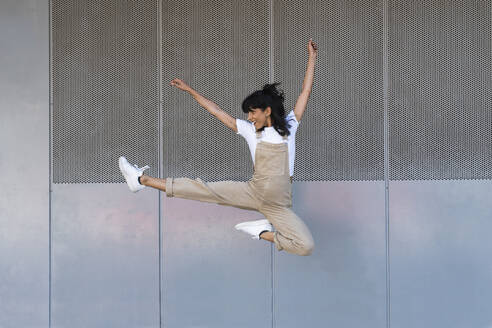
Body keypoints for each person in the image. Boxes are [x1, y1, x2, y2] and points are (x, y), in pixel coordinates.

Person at [119, 39, 318, 256]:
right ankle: (141, 180)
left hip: (278, 204)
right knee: (204, 190)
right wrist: (190, 91)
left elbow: (304, 93)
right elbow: (216, 111)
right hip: (253, 191)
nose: (249, 117)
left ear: (267, 111)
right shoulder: (250, 130)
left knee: (305, 246)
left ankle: (262, 232)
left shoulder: (290, 126)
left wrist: (312, 57)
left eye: (253, 112)